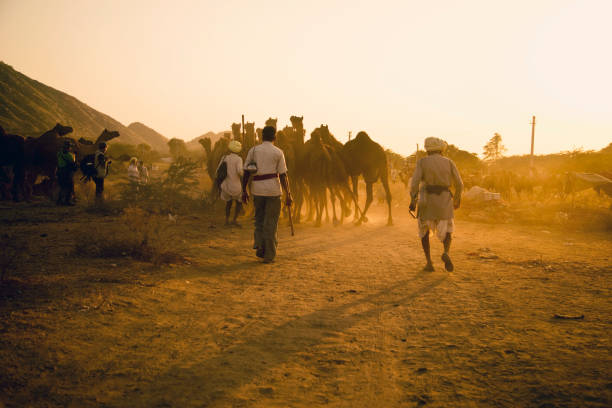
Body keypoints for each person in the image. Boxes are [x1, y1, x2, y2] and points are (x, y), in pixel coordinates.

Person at [410, 137, 463, 272]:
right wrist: (457, 199)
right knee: (448, 230)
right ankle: (446, 252)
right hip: (444, 200)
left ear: (427, 150)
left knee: (424, 232)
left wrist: (413, 200)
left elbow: (415, 183)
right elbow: (459, 184)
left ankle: (429, 263)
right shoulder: (449, 162)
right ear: (441, 150)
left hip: (426, 201)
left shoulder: (422, 162)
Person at [241, 126, 292, 263]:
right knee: (271, 223)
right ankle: (269, 254)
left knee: (259, 220)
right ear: (275, 137)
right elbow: (283, 175)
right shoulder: (278, 152)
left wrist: (244, 190)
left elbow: (246, 171)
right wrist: (289, 194)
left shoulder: (253, 150)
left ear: (261, 136)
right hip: (274, 191)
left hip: (257, 190)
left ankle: (260, 246)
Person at [217, 140, 244, 226]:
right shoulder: (239, 159)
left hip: (225, 186)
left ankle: (226, 220)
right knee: (239, 202)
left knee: (228, 203)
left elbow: (218, 170)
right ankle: (234, 220)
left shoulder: (224, 157)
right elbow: (240, 172)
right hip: (236, 186)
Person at [56, 140, 77, 205]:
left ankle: (59, 201)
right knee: (69, 187)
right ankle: (67, 201)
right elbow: (72, 163)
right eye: (70, 147)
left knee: (62, 187)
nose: (70, 148)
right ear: (68, 147)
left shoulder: (59, 153)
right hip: (67, 173)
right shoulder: (68, 155)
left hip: (60, 171)